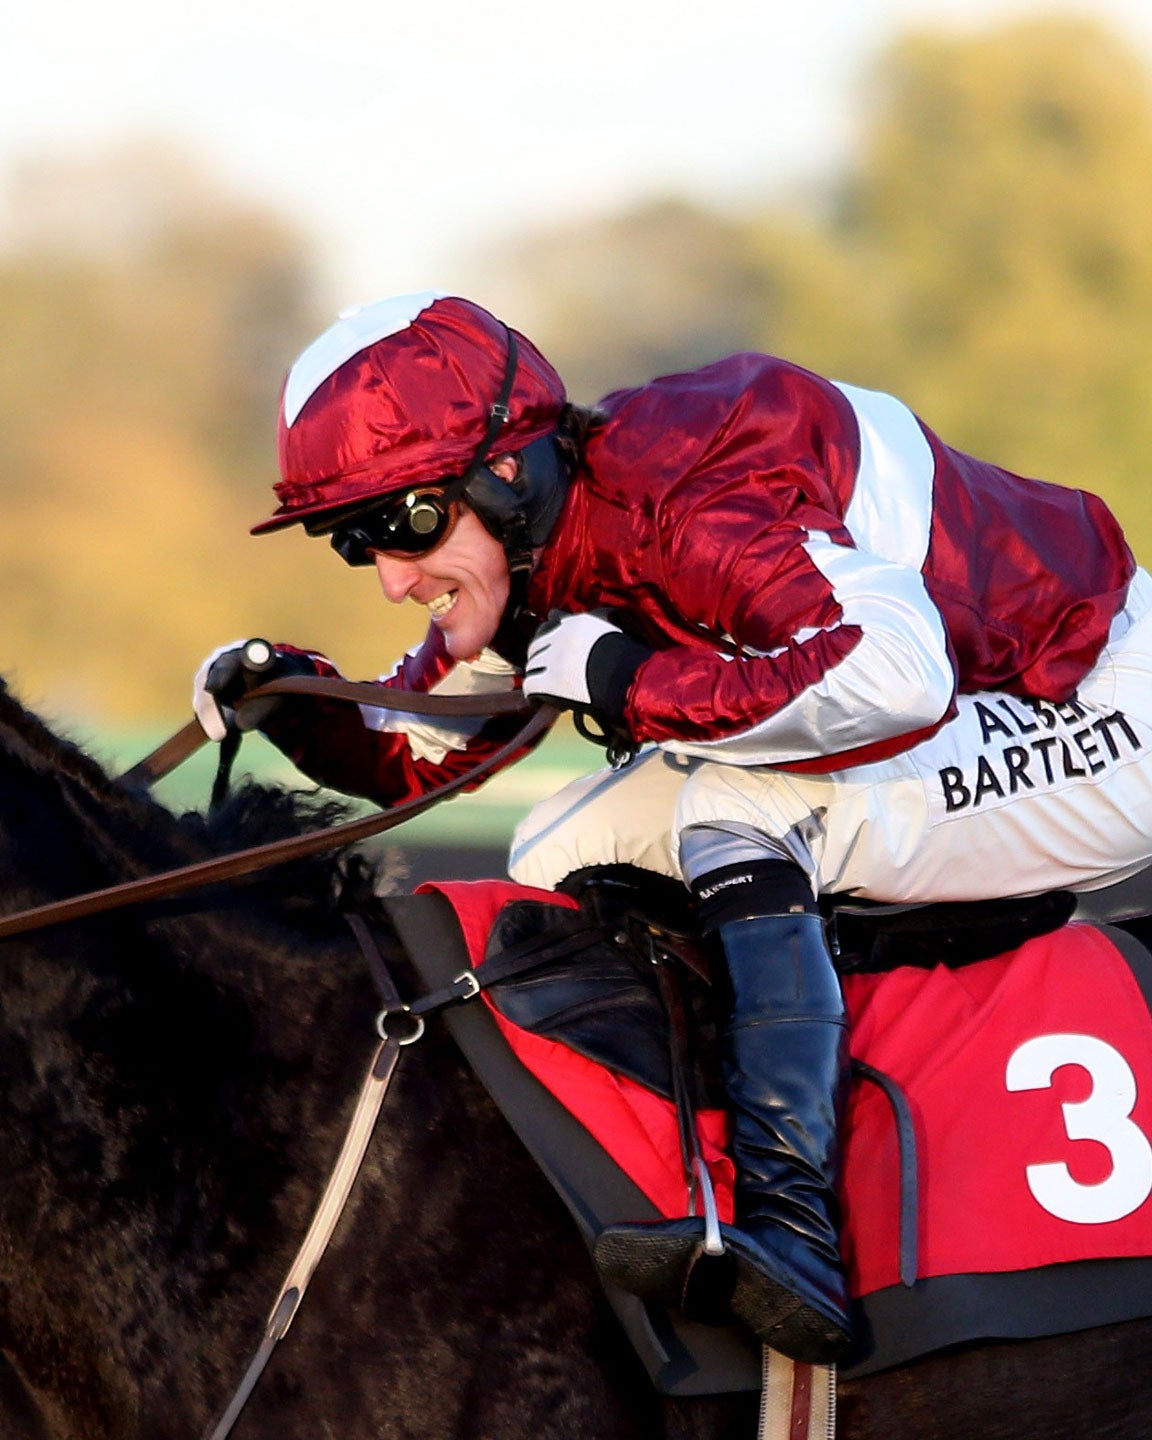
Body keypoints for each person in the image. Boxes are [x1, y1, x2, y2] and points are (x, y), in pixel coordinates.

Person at [196, 292, 1152, 1363]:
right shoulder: (546, 544)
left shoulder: (685, 502)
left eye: (408, 524)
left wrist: (630, 682)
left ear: (503, 474)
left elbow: (897, 675)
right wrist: (295, 700)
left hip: (1090, 706)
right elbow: (424, 754)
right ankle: (691, 1154)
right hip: (976, 706)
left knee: (733, 802)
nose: (389, 577)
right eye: (350, 541)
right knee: (559, 841)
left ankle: (791, 1228)